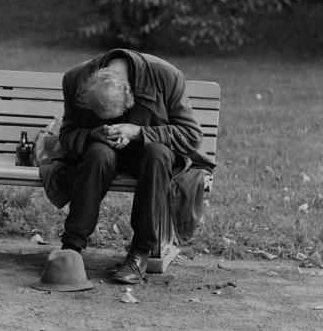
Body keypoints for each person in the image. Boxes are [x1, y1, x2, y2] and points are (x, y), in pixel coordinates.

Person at [39, 49, 215, 284]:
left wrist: (139, 132)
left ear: (129, 94)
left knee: (157, 153)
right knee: (98, 153)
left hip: (152, 157)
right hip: (104, 155)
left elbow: (192, 135)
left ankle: (140, 252)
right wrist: (92, 134)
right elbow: (68, 135)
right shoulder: (74, 79)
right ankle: (72, 247)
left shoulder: (166, 77)